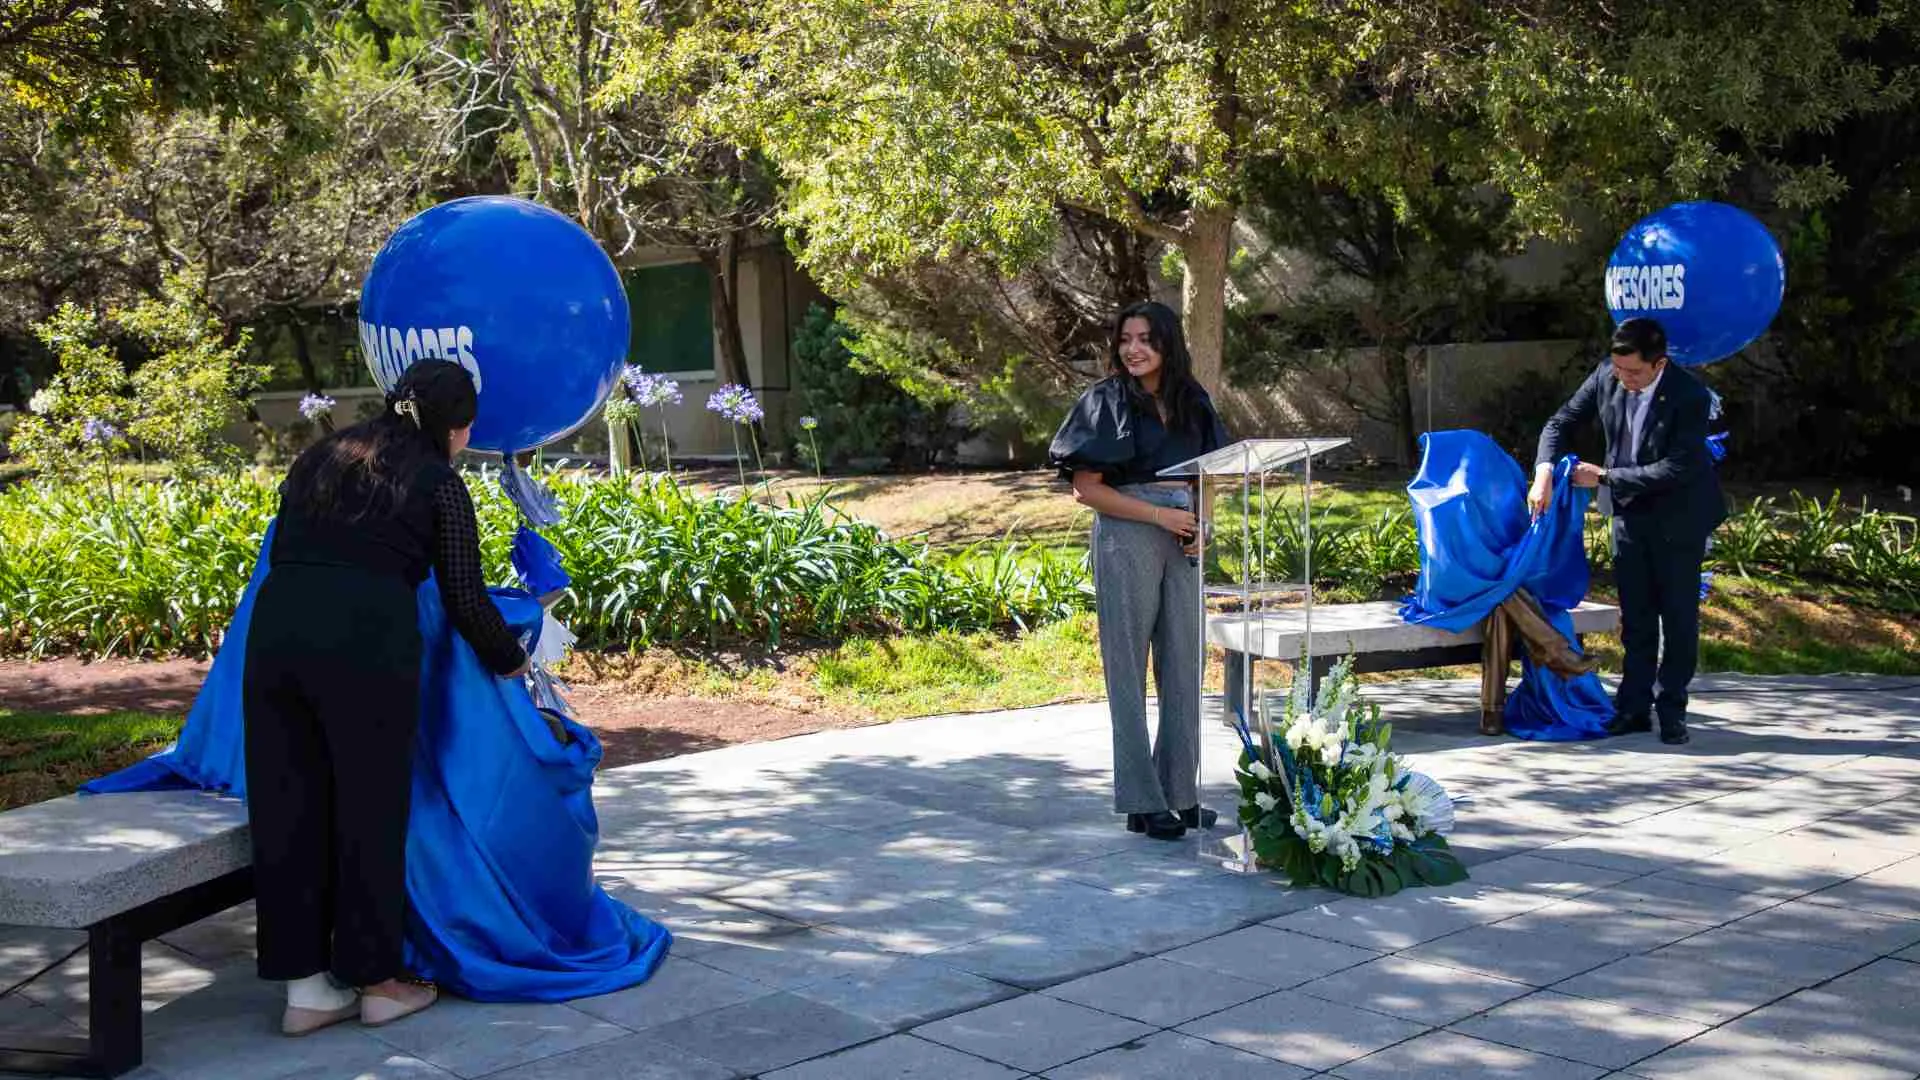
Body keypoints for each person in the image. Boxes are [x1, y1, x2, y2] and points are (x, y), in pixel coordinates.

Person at [244, 360, 529, 1034]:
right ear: (453, 428)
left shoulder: (321, 456)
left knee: (289, 805)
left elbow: (286, 549)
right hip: (366, 642)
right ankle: (377, 980)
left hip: (278, 630)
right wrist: (516, 661)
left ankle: (306, 990)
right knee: (368, 809)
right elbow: (466, 598)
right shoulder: (437, 482)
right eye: (465, 427)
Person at [1050, 300, 1231, 840]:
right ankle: (1140, 798)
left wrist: (1203, 523)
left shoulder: (1191, 400)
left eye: (1146, 338)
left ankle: (1181, 792)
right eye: (1126, 338)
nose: (1133, 348)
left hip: (1183, 534)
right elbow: (1087, 488)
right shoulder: (1103, 402)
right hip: (1128, 532)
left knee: (1184, 666)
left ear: (1167, 344)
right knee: (1126, 669)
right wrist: (1160, 514)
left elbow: (1206, 475)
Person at [1530, 317, 1726, 746]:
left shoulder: (1689, 396)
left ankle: (1672, 709)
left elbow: (1677, 467)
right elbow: (1560, 422)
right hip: (1629, 516)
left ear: (1659, 364)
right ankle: (1633, 707)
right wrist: (1544, 472)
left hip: (1680, 515)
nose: (1623, 379)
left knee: (1677, 617)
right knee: (1636, 618)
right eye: (1618, 370)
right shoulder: (1608, 374)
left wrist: (1604, 477)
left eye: (1633, 372)